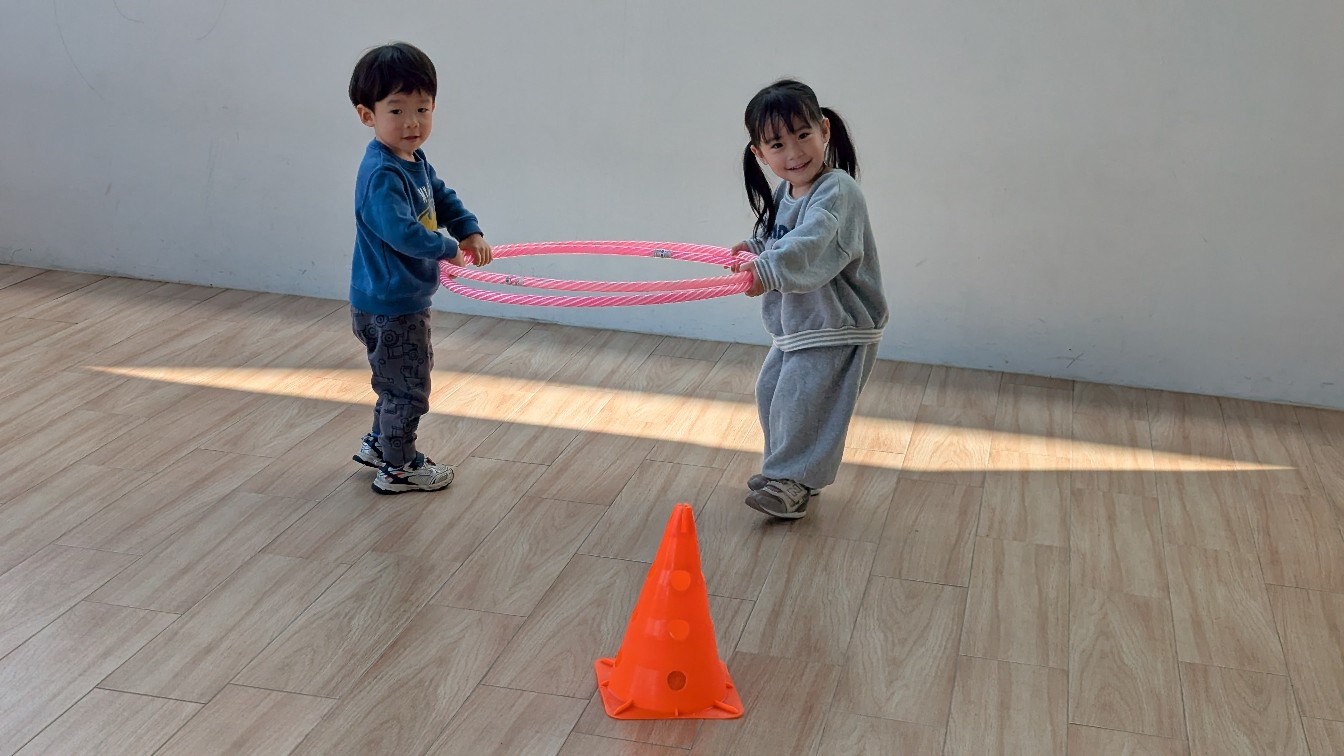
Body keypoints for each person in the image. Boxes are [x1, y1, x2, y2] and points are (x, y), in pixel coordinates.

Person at [730, 79, 889, 519]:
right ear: (760, 154)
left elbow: (814, 244)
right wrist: (757, 250)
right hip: (801, 326)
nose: (795, 152)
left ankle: (792, 482)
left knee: (803, 402)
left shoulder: (837, 191)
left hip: (839, 325)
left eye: (803, 135)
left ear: (824, 130)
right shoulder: (787, 192)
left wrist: (768, 269)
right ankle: (789, 473)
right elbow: (784, 239)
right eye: (777, 144)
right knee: (773, 393)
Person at [346, 42, 493, 494]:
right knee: (408, 387)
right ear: (367, 115)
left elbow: (441, 196)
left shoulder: (413, 160)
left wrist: (467, 230)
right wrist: (447, 248)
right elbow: (403, 233)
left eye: (422, 109)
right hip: (390, 305)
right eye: (397, 110)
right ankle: (399, 466)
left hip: (397, 298)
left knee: (396, 380)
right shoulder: (382, 174)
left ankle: (381, 445)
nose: (412, 122)